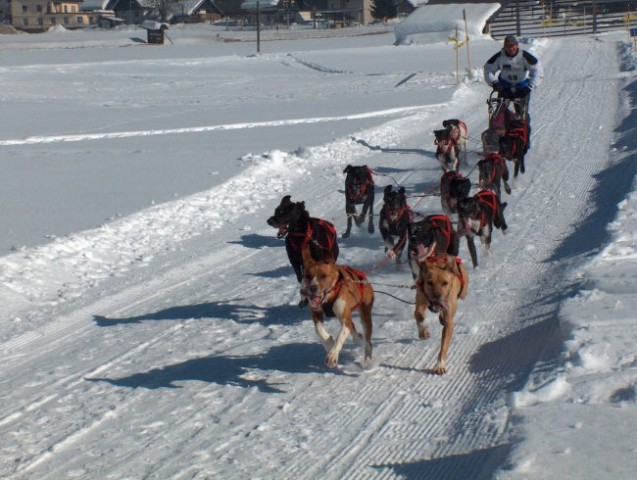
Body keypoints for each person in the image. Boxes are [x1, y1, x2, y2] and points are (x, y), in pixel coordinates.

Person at [483, 35, 543, 150]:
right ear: (504, 47)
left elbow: (537, 70)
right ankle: (496, 143)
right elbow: (488, 69)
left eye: (512, 46)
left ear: (517, 45)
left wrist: (530, 86)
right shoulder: (499, 57)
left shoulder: (525, 56)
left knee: (522, 117)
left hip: (522, 89)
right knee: (499, 116)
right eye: (508, 46)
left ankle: (524, 142)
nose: (510, 49)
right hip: (504, 89)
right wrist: (494, 83)